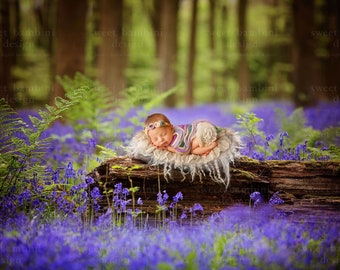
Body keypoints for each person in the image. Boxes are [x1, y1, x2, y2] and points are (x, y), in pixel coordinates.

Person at [144, 113, 218, 156]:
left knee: (192, 151)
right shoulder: (172, 131)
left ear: (171, 129)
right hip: (201, 128)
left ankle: (210, 147)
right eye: (155, 139)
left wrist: (167, 148)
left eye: (164, 134)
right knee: (193, 144)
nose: (161, 139)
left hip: (204, 132)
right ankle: (204, 148)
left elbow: (184, 151)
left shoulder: (176, 138)